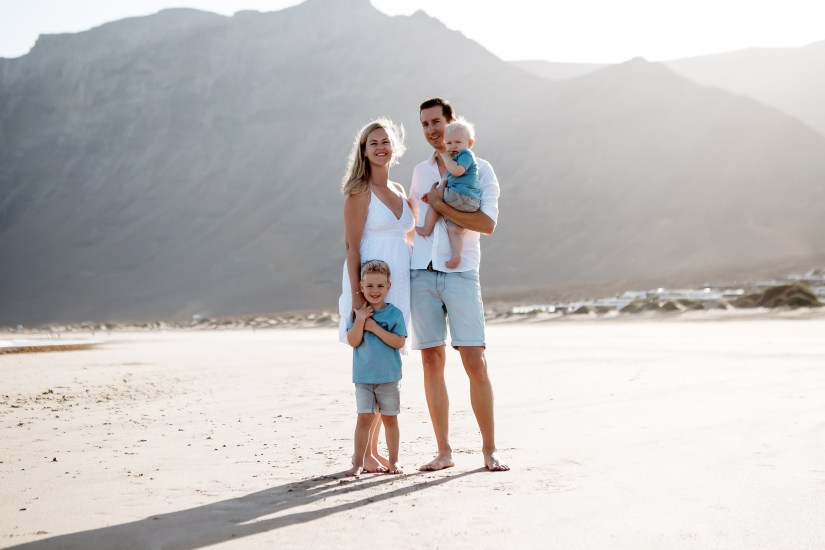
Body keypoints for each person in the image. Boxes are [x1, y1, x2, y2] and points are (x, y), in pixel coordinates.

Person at [409, 98, 509, 472]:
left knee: (474, 361)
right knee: (430, 360)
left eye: (436, 121)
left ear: (453, 124)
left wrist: (439, 202)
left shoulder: (481, 170)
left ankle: (489, 450)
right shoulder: (419, 172)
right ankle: (444, 452)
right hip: (421, 272)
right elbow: (412, 222)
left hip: (462, 272)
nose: (432, 130)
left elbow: (486, 223)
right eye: (425, 124)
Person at [338, 118, 415, 472]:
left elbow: (410, 237)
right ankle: (366, 454)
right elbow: (353, 247)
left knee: (389, 363)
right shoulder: (359, 190)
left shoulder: (399, 189)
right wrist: (358, 300)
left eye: (385, 141)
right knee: (371, 361)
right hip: (369, 287)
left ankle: (373, 453)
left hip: (397, 284)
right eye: (374, 143)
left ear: (394, 147)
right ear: (365, 152)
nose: (381, 147)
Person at [345, 260, 407, 476]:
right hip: (363, 377)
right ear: (361, 286)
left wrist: (374, 327)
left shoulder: (394, 314)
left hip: (389, 377)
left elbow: (399, 342)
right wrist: (361, 320)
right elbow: (353, 341)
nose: (375, 290)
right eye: (370, 285)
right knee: (364, 419)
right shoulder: (356, 314)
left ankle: (394, 461)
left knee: (390, 419)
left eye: (380, 286)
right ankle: (358, 462)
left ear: (388, 287)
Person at [414, 118, 481, 269]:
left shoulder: (466, 156)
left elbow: (457, 171)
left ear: (469, 144)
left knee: (435, 203)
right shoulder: (457, 158)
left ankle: (426, 228)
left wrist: (445, 156)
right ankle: (456, 256)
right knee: (455, 231)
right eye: (449, 143)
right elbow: (447, 181)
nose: (453, 146)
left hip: (463, 196)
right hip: (466, 202)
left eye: (458, 142)